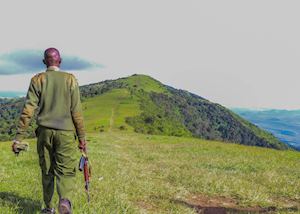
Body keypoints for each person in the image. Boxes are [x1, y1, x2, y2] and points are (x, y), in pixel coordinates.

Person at [12, 48, 87, 214]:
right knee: (66, 170)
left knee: (47, 170)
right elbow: (77, 112)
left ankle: (48, 208)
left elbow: (28, 110)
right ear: (60, 61)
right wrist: (82, 138)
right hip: (66, 133)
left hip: (44, 132)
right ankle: (65, 201)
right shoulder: (70, 79)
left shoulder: (37, 79)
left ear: (44, 62)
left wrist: (18, 138)